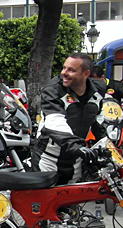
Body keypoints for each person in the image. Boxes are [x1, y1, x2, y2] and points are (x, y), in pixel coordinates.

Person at [31, 53, 106, 185]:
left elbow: (98, 119)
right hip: (48, 159)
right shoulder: (52, 90)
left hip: (75, 160)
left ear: (86, 74)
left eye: (71, 70)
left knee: (71, 202)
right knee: (46, 202)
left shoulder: (97, 91)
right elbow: (55, 123)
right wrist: (78, 147)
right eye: (64, 68)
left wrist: (105, 144)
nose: (64, 73)